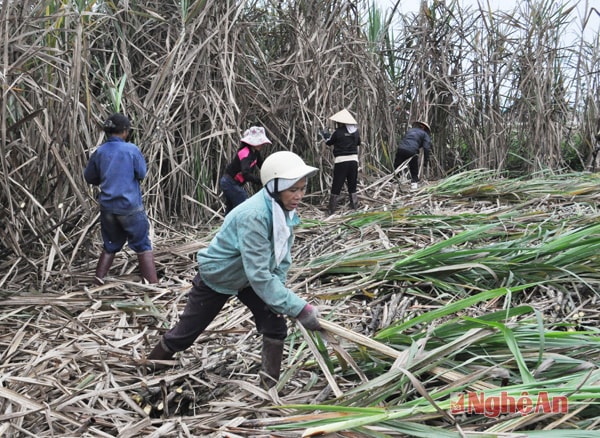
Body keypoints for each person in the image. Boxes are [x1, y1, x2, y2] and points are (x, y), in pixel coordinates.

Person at [147, 151, 322, 387]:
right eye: (293, 189)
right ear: (274, 186)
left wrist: (279, 296)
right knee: (185, 334)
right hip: (220, 275)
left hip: (247, 279)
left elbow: (281, 258)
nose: (299, 195)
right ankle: (149, 370)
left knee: (275, 324)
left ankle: (268, 388)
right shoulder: (255, 215)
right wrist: (300, 309)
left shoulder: (284, 210)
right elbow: (259, 275)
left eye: (302, 188)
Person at [84, 113, 158, 284]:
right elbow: (141, 173)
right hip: (130, 207)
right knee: (142, 245)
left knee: (110, 244)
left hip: (108, 207)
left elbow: (90, 177)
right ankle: (154, 286)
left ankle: (98, 282)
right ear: (125, 131)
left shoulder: (99, 152)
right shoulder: (132, 150)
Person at [220, 126, 271, 215]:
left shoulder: (255, 153)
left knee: (231, 209)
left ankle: (228, 227)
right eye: (259, 142)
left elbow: (262, 166)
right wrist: (261, 181)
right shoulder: (245, 153)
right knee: (242, 200)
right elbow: (245, 174)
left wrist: (270, 176)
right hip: (228, 182)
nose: (262, 144)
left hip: (234, 183)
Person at [321, 108, 361, 214]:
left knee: (337, 184)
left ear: (340, 122)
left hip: (341, 161)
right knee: (352, 184)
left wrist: (325, 136)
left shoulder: (338, 132)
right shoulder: (355, 132)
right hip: (353, 161)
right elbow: (358, 143)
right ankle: (354, 207)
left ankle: (331, 210)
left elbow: (329, 142)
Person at [393, 120, 432, 190]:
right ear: (424, 128)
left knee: (397, 166)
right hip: (412, 151)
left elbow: (405, 139)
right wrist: (426, 161)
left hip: (401, 149)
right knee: (414, 168)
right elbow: (426, 148)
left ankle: (393, 183)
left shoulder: (410, 131)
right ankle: (414, 185)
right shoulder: (425, 134)